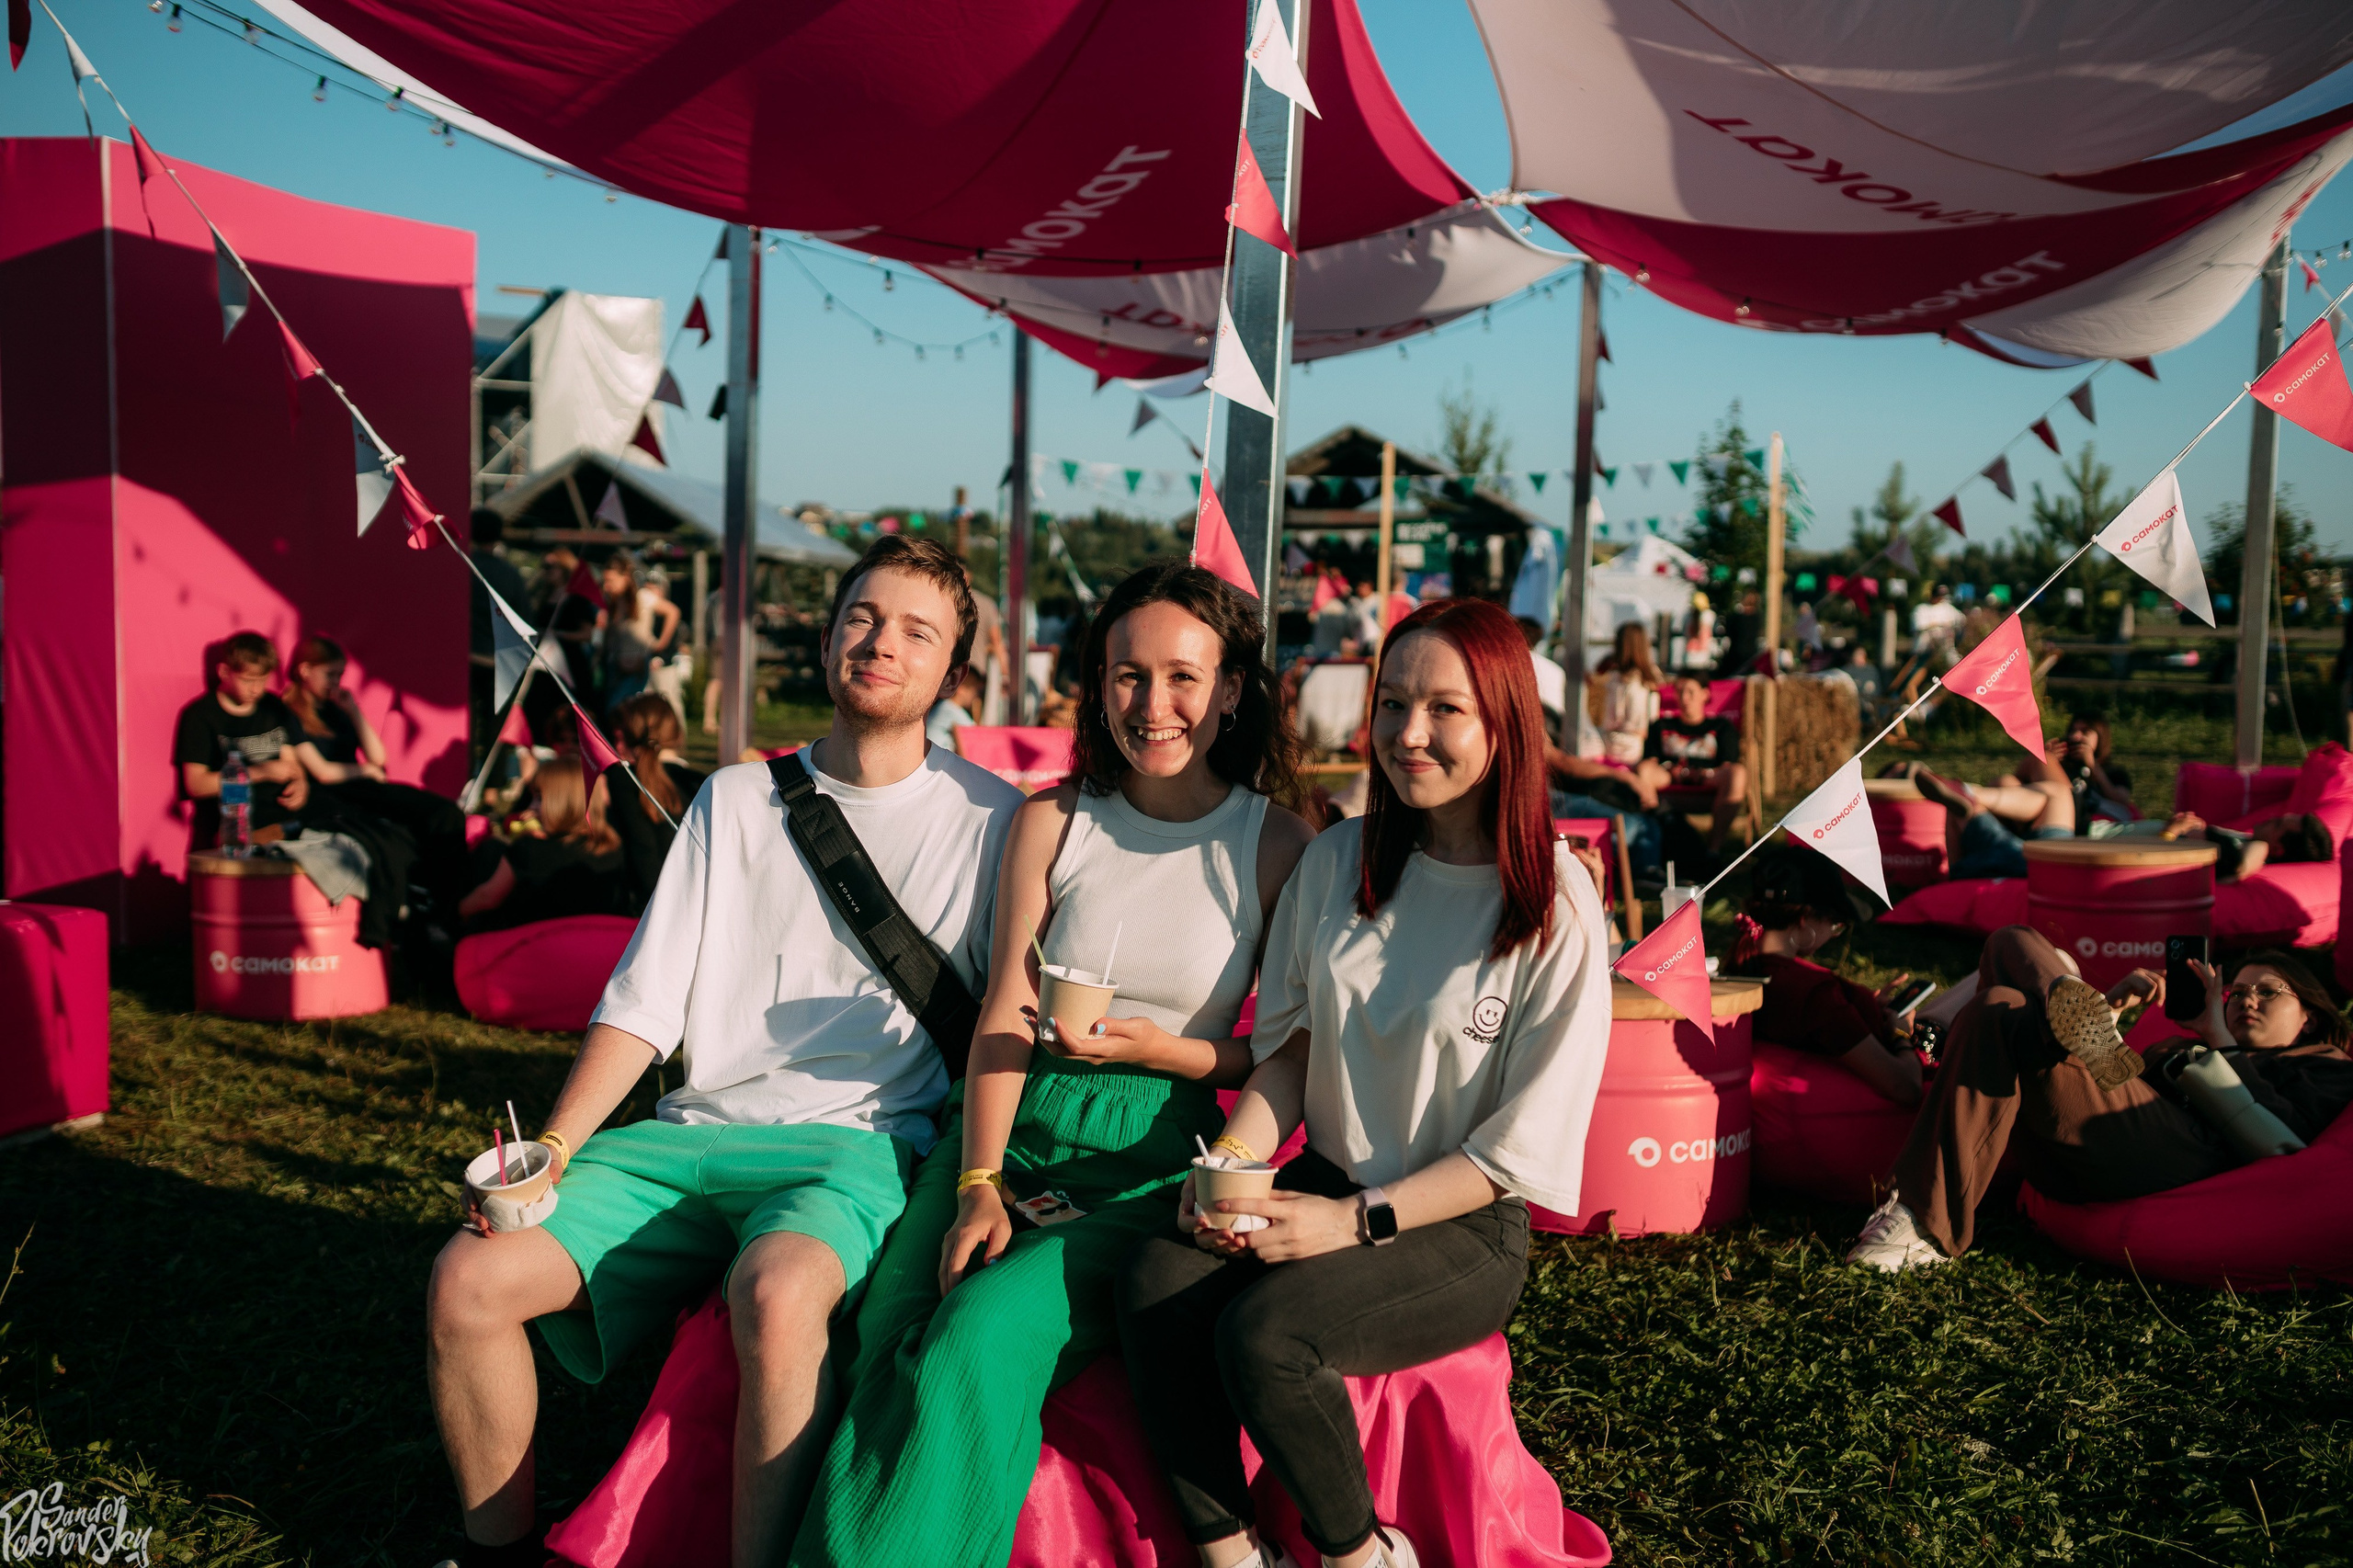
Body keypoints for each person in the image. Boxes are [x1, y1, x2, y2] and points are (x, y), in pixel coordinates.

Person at [424, 535, 1023, 1568]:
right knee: (464, 1280)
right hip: (687, 1135)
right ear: (831, 635)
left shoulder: (996, 820)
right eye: (862, 618)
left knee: (780, 1292)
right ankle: (499, 1550)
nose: (880, 643)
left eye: (916, 631)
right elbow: (644, 1001)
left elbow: (1015, 1012)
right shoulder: (736, 799)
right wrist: (556, 1149)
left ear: (952, 673)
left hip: (853, 1146)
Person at [790, 562, 1317, 1568]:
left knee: (973, 1336)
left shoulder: (1279, 844)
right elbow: (1005, 1013)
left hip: (1156, 1148)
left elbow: (1286, 1047)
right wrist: (979, 1183)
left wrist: (1172, 1049)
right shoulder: (1054, 816)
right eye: (1126, 675)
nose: (1150, 705)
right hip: (1006, 1123)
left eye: (1180, 678)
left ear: (1233, 690)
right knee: (884, 1327)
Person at [1116, 597, 1611, 1568]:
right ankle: (1228, 1551)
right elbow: (1293, 1055)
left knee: (1267, 1334)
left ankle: (1358, 1555)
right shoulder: (1337, 859)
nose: (1408, 734)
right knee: (1155, 1276)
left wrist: (1353, 1222)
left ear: (1504, 720)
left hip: (1459, 1224)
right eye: (1390, 703)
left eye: (1443, 709)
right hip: (1327, 1180)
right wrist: (1233, 1161)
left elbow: (1514, 1149)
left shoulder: (1556, 899)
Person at [1849, 934, 2353, 1269]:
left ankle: (1923, 1215)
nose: (2246, 999)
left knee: (2014, 962)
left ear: (2309, 1016)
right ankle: (1922, 1226)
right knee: (2000, 995)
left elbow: (2286, 1137)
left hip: (2189, 1156)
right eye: (2237, 991)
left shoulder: (2325, 1065)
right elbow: (2120, 1084)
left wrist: (2221, 1039)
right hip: (2107, 1138)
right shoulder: (2181, 1044)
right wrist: (2110, 1010)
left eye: (2269, 992)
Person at [285, 633, 476, 925]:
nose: (335, 682)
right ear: (304, 670)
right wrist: (364, 771)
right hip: (335, 793)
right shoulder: (288, 713)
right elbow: (321, 772)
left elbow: (378, 757)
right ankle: (433, 909)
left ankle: (449, 905)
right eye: (330, 674)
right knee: (399, 832)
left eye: (340, 675)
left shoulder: (335, 709)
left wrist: (353, 710)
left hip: (363, 784)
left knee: (445, 814)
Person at [1727, 851, 1922, 1106]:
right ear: (1805, 920)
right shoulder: (1815, 995)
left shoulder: (1739, 968)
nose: (1833, 934)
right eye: (1836, 924)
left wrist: (1860, 1009)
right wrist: (1900, 1033)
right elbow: (1905, 1087)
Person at [173, 631, 315, 844]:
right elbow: (196, 784)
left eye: (263, 680)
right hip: (234, 826)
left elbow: (291, 763)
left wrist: (301, 784)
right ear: (224, 672)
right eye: (248, 680)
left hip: (287, 818)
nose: (256, 689)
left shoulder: (274, 707)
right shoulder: (200, 716)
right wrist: (261, 773)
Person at [458, 757, 625, 930]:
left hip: (534, 945)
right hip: (598, 944)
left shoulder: (531, 849)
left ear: (561, 801)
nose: (532, 806)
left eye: (539, 798)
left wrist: (454, 912)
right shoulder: (612, 847)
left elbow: (488, 897)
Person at [589, 692, 708, 916]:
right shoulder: (701, 783)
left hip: (642, 915)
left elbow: (641, 852)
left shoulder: (621, 781)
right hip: (696, 908)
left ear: (625, 736)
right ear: (678, 734)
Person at [1644, 674, 1748, 853]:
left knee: (1738, 773)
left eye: (1690, 692)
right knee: (1643, 770)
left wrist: (1701, 774)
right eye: (1680, 691)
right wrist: (1671, 770)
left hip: (1708, 783)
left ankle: (1712, 850)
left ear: (1705, 694)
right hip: (1668, 784)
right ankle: (1656, 840)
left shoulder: (1721, 727)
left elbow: (1727, 766)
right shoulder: (1660, 725)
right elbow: (1650, 762)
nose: (1684, 698)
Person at [2097, 809, 2333, 881]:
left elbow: (2238, 868)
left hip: (2090, 842)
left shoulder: (2257, 850)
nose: (2272, 817)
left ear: (2279, 849)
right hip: (2101, 832)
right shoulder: (2245, 841)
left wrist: (2173, 832)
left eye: (2278, 823)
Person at [469, 508, 532, 767]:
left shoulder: (463, 568)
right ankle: (492, 788)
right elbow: (525, 621)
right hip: (502, 663)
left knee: (467, 724)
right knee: (496, 728)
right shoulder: (511, 575)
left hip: (467, 659)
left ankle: (462, 780)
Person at [599, 554, 678, 710]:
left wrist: (661, 643)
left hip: (636, 666)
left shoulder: (642, 597)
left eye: (611, 581)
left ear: (626, 578)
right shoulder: (614, 602)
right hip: (616, 667)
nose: (607, 586)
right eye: (605, 581)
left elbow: (673, 612)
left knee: (619, 709)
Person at [2051, 711, 2132, 831]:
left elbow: (2121, 800)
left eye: (2085, 732)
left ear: (2100, 736)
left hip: (2099, 828)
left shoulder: (2114, 772)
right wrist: (2048, 762)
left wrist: (2093, 766)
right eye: (2072, 731)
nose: (2075, 737)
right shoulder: (2062, 768)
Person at [1594, 621, 1661, 767]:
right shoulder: (1651, 677)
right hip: (1637, 743)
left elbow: (1603, 717)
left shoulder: (1612, 678)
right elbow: (1652, 718)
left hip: (1615, 743)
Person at [926, 665, 983, 749]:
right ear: (961, 689)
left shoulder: (944, 706)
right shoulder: (951, 710)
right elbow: (975, 734)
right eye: (974, 691)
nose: (975, 695)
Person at [1911, 585, 1964, 670]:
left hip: (1944, 649)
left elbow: (1961, 619)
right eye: (1938, 596)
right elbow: (1919, 626)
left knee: (1953, 661)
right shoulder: (1921, 609)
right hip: (1924, 650)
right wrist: (1938, 624)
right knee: (1918, 670)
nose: (1940, 598)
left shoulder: (1947, 607)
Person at [1680, 592, 1717, 670]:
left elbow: (1685, 633)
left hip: (1689, 654)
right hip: (1703, 655)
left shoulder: (1687, 616)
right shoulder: (1708, 615)